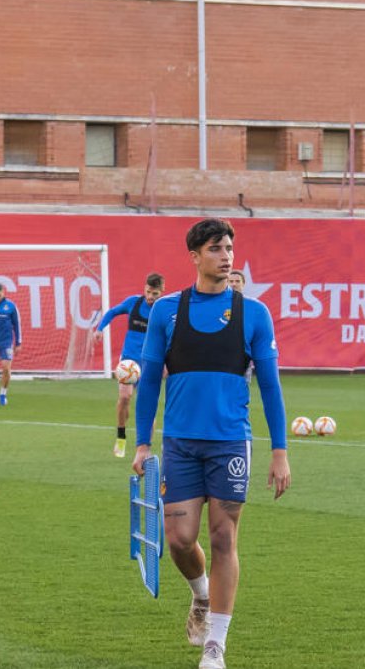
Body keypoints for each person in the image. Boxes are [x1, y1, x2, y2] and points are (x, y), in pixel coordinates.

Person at [132, 218, 292, 669]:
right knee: (179, 539)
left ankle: (215, 645)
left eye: (230, 249)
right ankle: (201, 594)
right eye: (217, 249)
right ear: (195, 256)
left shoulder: (253, 314)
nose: (226, 256)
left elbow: (271, 387)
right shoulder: (167, 311)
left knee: (223, 538)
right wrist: (142, 445)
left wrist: (280, 451)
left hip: (230, 445)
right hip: (180, 444)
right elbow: (148, 384)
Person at [92, 272, 164, 457]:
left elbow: (170, 338)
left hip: (149, 363)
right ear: (144, 289)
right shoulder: (134, 302)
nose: (150, 297)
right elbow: (112, 312)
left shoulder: (163, 310)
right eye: (148, 292)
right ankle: (121, 437)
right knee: (125, 397)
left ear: (161, 292)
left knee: (147, 406)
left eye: (154, 294)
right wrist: (100, 328)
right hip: (129, 362)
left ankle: (144, 446)